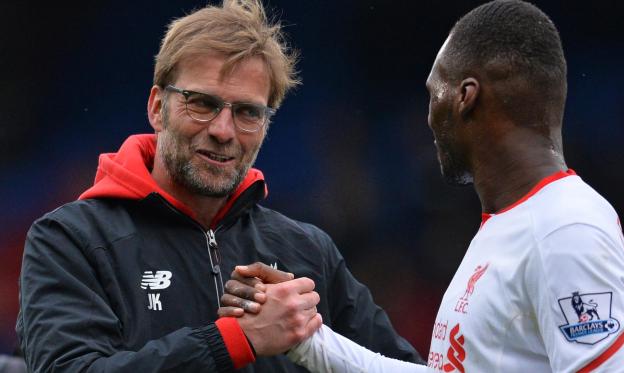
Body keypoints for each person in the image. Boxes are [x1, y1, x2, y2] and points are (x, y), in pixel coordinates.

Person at [222, 1, 624, 371]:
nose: (427, 117)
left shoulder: (566, 227)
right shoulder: (511, 226)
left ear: (466, 97)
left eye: (432, 94)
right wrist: (307, 339)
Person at [15, 1, 423, 372]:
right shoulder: (70, 240)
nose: (223, 131)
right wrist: (236, 339)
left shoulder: (307, 251)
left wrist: (320, 344)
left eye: (248, 112)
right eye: (203, 103)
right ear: (158, 108)